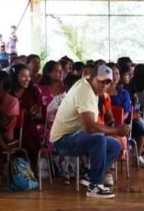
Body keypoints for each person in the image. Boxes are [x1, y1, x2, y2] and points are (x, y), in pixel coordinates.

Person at [48, 65, 126, 198]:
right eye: (101, 81)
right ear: (92, 78)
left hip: (76, 135)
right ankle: (95, 186)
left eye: (108, 82)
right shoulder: (85, 91)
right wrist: (116, 130)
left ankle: (91, 176)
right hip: (63, 139)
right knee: (99, 140)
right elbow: (89, 127)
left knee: (115, 145)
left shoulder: (90, 87)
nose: (104, 85)